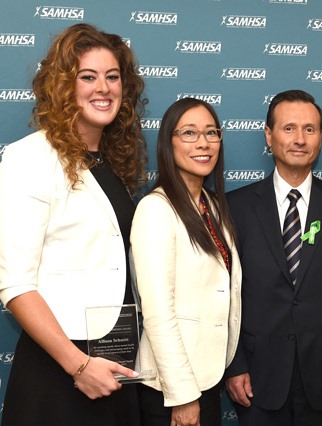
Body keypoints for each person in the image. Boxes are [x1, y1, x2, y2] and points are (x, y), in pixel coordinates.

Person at [0, 23, 146, 425]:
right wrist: (79, 366)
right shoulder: (28, 158)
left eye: (113, 77)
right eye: (88, 77)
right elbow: (16, 285)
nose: (104, 87)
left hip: (114, 363)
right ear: (63, 86)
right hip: (61, 370)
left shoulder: (110, 164)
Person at [224, 89, 322, 426]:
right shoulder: (234, 207)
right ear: (269, 136)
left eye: (310, 129)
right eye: (288, 128)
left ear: (320, 137)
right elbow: (224, 296)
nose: (299, 139)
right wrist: (235, 364)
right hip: (257, 380)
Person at [130, 97, 241, 426]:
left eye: (211, 132)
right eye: (189, 133)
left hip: (207, 378)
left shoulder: (212, 205)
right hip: (173, 389)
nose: (203, 143)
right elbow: (158, 312)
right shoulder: (156, 210)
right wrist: (183, 396)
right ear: (169, 142)